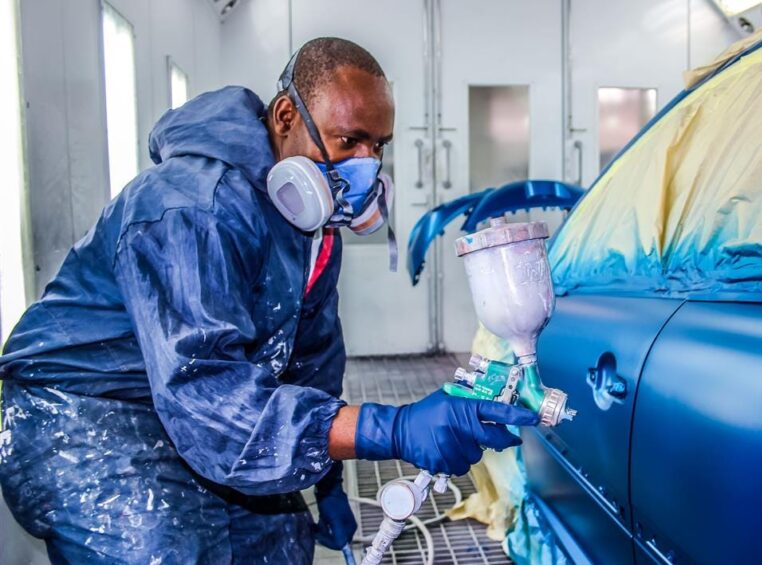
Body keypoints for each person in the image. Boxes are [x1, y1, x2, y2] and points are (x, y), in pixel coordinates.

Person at [0, 37, 538, 564]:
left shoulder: (314, 226)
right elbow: (205, 390)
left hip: (200, 408)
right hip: (84, 414)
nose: (366, 167)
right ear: (285, 116)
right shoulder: (189, 207)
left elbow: (312, 359)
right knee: (170, 549)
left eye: (379, 146)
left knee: (280, 542)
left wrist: (328, 479)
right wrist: (391, 430)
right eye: (349, 140)